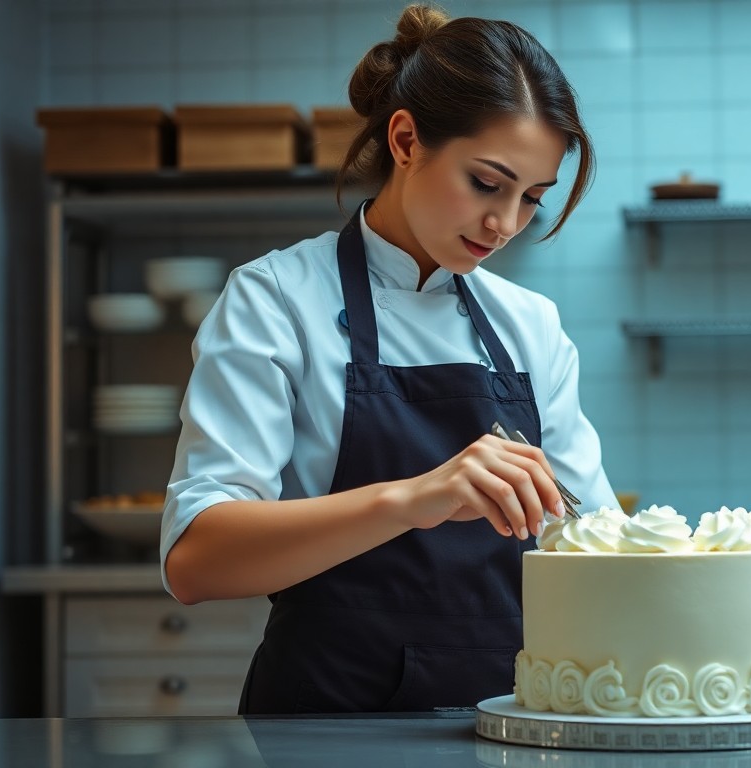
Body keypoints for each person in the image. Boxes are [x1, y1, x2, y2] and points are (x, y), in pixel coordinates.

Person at [160, 4, 616, 715]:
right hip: (326, 726)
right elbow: (196, 559)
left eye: (532, 198)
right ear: (405, 140)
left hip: (516, 725)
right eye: (487, 183)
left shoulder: (531, 325)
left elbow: (592, 545)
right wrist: (417, 498)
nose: (506, 225)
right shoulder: (277, 298)